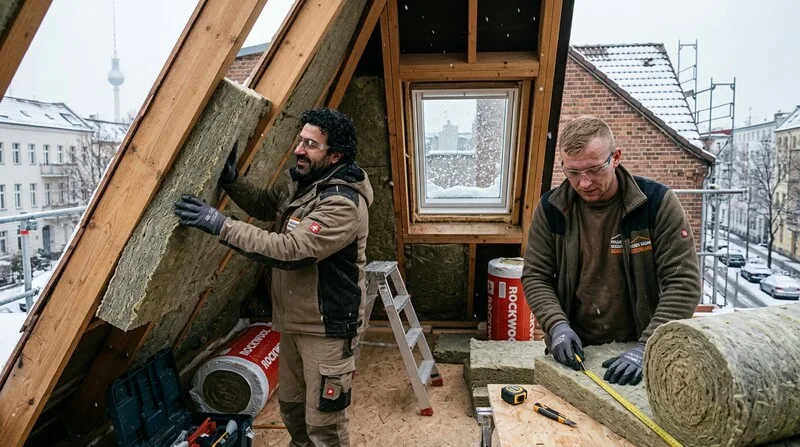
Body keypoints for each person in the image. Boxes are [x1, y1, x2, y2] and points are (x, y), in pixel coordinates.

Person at [174, 107, 373, 446]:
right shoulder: (304, 182)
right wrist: (231, 180)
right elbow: (268, 205)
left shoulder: (342, 203)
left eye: (311, 145)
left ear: (335, 155)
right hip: (293, 321)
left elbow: (290, 251)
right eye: (301, 140)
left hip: (328, 327)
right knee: (292, 410)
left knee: (324, 422)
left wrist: (220, 224)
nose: (299, 149)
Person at [521, 116, 701, 386]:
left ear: (616, 158)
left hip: (641, 343)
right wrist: (556, 326)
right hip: (577, 347)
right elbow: (536, 276)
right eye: (572, 172)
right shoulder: (553, 209)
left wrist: (647, 348)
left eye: (594, 170)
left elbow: (683, 283)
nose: (583, 183)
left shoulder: (655, 204)